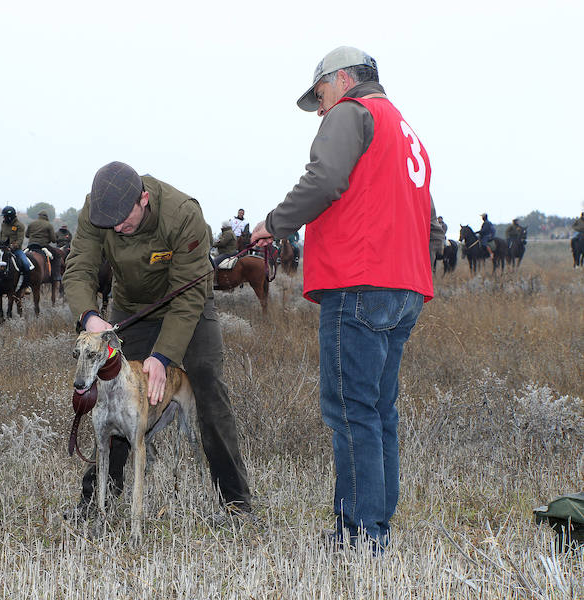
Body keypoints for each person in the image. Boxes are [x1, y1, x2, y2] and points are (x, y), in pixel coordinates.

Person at [251, 46, 443, 550]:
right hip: (406, 287)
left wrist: (274, 224)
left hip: (358, 281)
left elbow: (325, 180)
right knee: (379, 410)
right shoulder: (406, 132)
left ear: (340, 80)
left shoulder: (351, 114)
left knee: (350, 410)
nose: (319, 108)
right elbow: (431, 219)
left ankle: (360, 536)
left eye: (319, 95)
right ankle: (371, 525)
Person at [64, 161, 253, 520]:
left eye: (125, 220)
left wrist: (163, 357)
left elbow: (189, 298)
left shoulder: (183, 215)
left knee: (208, 384)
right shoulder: (96, 210)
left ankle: (236, 503)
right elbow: (80, 267)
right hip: (131, 305)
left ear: (144, 199)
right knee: (113, 389)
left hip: (188, 304)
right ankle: (97, 499)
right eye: (111, 224)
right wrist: (89, 316)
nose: (118, 228)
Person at [0, 206, 33, 292]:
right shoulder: (3, 224)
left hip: (16, 250)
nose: (3, 218)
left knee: (26, 264)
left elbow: (20, 240)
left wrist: (12, 246)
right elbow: (0, 235)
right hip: (3, 250)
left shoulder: (20, 226)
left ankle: (26, 286)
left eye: (4, 216)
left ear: (9, 216)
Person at [26, 210, 62, 282]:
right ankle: (56, 275)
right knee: (57, 255)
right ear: (46, 217)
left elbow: (26, 235)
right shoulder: (48, 225)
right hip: (43, 246)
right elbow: (53, 239)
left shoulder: (31, 224)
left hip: (31, 246)